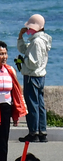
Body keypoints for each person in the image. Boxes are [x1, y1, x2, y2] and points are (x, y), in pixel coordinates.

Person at [18, 14, 51, 143]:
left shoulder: (36, 42)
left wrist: (22, 61)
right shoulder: (41, 40)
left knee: (32, 104)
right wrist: (20, 37)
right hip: (40, 75)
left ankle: (33, 132)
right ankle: (42, 131)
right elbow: (24, 49)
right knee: (40, 104)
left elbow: (33, 62)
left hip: (32, 76)